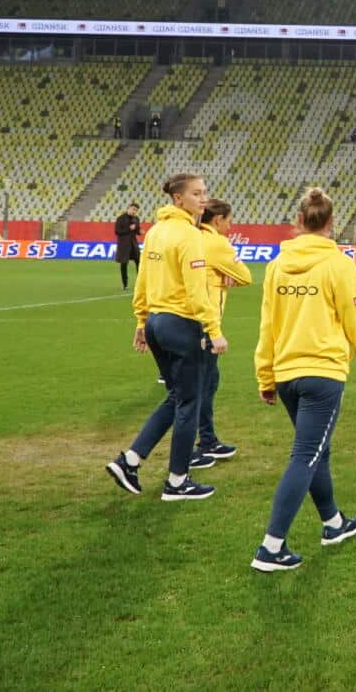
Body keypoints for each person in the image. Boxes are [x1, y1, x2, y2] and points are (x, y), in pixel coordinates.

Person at [249, 187, 356, 573]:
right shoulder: (338, 265)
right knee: (305, 454)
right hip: (322, 373)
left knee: (317, 450)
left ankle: (333, 522)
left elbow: (268, 325)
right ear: (331, 222)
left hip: (287, 373)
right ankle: (271, 547)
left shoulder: (277, 266)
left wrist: (265, 374)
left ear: (299, 221)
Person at [104, 172, 225, 502]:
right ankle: (177, 482)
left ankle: (130, 460)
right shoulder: (190, 235)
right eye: (197, 193)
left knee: (177, 397)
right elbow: (196, 291)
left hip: (157, 323)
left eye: (204, 192)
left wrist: (142, 321)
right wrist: (214, 331)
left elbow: (143, 279)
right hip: (182, 324)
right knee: (189, 403)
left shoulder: (156, 231)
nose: (203, 198)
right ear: (178, 198)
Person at [196, 198, 252, 462]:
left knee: (200, 385)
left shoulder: (192, 237)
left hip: (181, 320)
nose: (231, 226)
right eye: (229, 220)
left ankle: (206, 440)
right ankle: (202, 443)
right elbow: (246, 276)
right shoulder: (216, 243)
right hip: (205, 324)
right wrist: (224, 274)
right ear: (218, 220)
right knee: (203, 386)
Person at [114, 203, 143, 290]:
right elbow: (117, 231)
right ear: (129, 208)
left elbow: (137, 230)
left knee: (139, 262)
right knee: (124, 264)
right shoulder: (121, 218)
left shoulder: (136, 219)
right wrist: (129, 228)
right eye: (133, 209)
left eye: (136, 210)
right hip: (124, 245)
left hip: (133, 244)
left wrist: (139, 232)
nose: (134, 211)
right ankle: (125, 284)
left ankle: (140, 283)